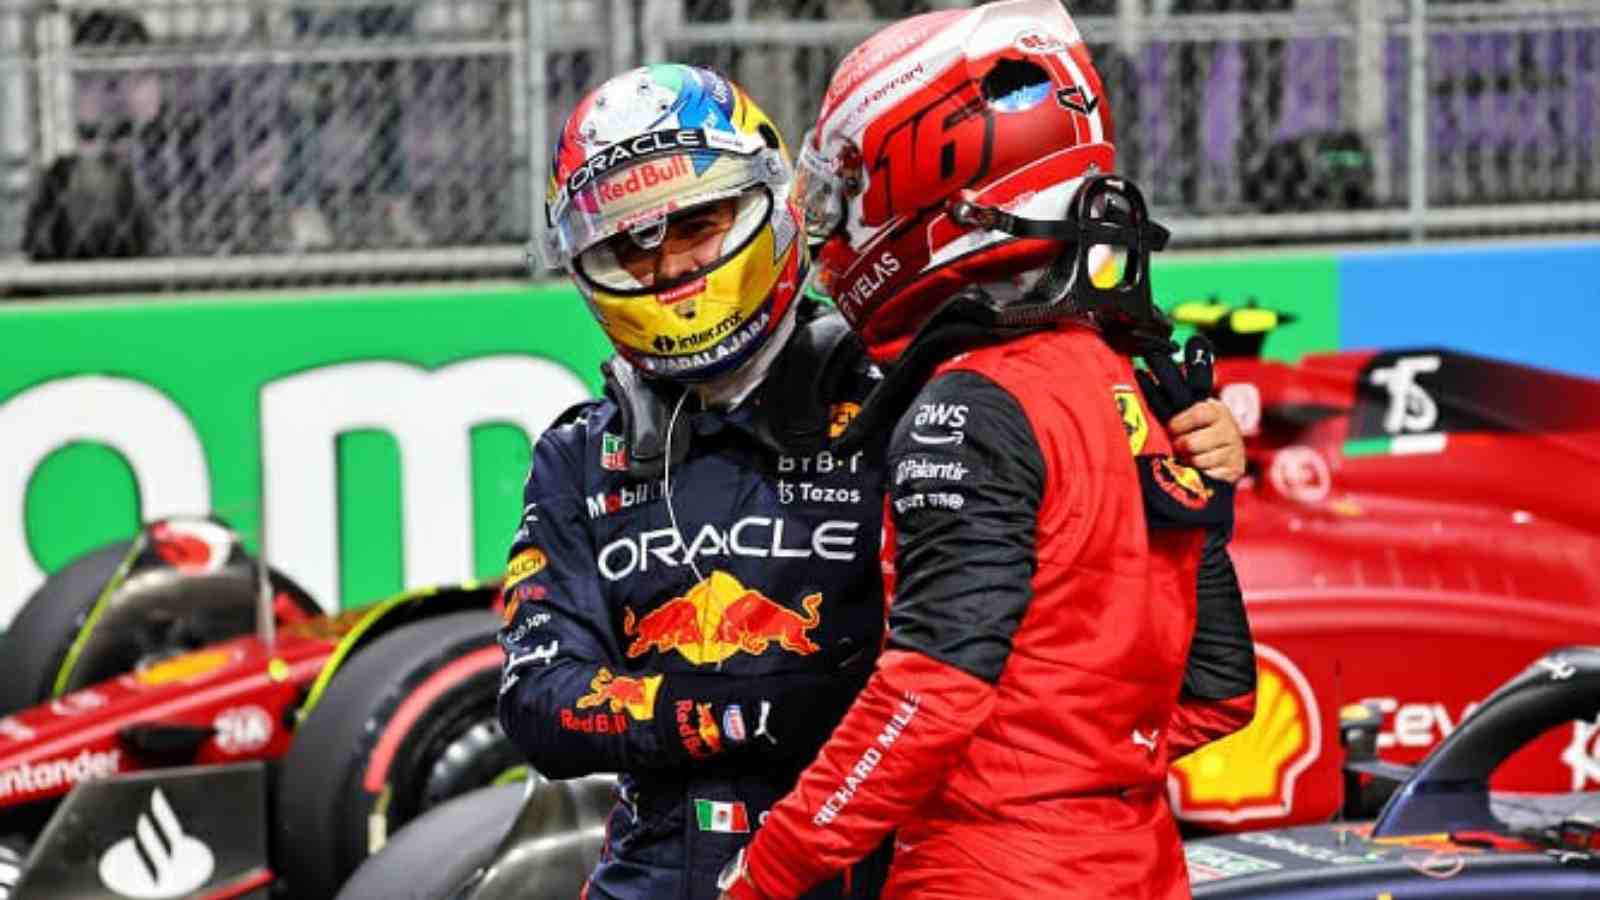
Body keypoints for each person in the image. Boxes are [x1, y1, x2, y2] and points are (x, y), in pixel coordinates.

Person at [498, 59, 1247, 900]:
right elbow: (541, 705)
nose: (668, 266)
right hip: (662, 876)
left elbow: (1104, 652)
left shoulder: (924, 396)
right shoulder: (578, 455)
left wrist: (1179, 462)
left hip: (887, 867)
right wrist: (763, 710)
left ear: (771, 205)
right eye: (626, 245)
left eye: (696, 223)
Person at [712, 1, 1257, 898]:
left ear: (928, 180)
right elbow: (1220, 689)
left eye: (851, 188)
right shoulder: (1139, 383)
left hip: (986, 869)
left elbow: (930, 692)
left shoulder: (971, 403)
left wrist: (764, 873)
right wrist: (1079, 768)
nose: (836, 226)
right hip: (1142, 862)